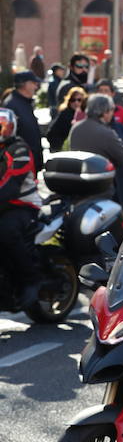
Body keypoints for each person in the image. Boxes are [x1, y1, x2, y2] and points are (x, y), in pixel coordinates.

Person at [70, 94, 123, 221]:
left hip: (80, 186)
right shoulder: (106, 133)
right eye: (111, 110)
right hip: (102, 189)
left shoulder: (76, 128)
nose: (112, 113)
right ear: (105, 112)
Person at [0, 108, 41, 309]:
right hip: (3, 205)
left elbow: (10, 185)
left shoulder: (19, 150)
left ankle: (30, 280)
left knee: (6, 231)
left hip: (23, 205)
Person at [2, 71, 43, 171]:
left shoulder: (25, 102)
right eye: (34, 83)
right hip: (20, 166)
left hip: (29, 163)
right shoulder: (11, 105)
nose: (36, 86)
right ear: (25, 84)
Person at [46, 86, 87, 152]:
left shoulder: (87, 114)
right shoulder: (64, 114)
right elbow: (51, 134)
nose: (76, 102)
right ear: (69, 101)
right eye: (73, 100)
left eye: (79, 100)